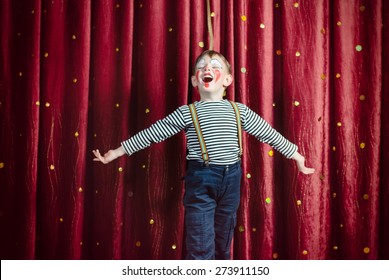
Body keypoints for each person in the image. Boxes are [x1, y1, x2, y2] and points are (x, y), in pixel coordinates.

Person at [92, 50, 315, 260]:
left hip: (231, 180)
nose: (207, 68)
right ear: (194, 80)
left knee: (223, 239)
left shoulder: (240, 111)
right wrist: (116, 152)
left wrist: (296, 156)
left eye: (215, 66)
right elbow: (152, 133)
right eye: (202, 67)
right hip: (201, 180)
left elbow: (269, 133)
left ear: (227, 80)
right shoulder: (187, 112)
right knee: (200, 243)